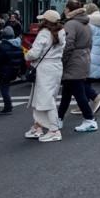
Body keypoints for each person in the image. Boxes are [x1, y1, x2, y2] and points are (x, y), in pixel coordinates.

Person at [25, 10, 66, 142]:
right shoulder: (61, 32)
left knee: (45, 98)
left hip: (44, 68)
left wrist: (28, 55)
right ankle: (37, 126)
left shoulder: (44, 33)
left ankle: (54, 130)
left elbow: (35, 53)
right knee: (46, 97)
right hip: (56, 66)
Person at [58, 0, 97, 132]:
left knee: (79, 93)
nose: (64, 11)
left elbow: (68, 44)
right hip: (82, 59)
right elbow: (90, 43)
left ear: (69, 10)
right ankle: (59, 118)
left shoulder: (71, 24)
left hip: (73, 62)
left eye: (65, 8)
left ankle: (90, 119)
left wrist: (62, 61)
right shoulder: (86, 23)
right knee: (67, 93)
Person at [0, 26, 25, 114]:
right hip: (13, 71)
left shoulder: (3, 47)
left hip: (4, 71)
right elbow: (23, 62)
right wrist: (22, 72)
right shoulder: (19, 47)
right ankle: (8, 106)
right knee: (6, 89)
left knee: (4, 89)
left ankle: (8, 107)